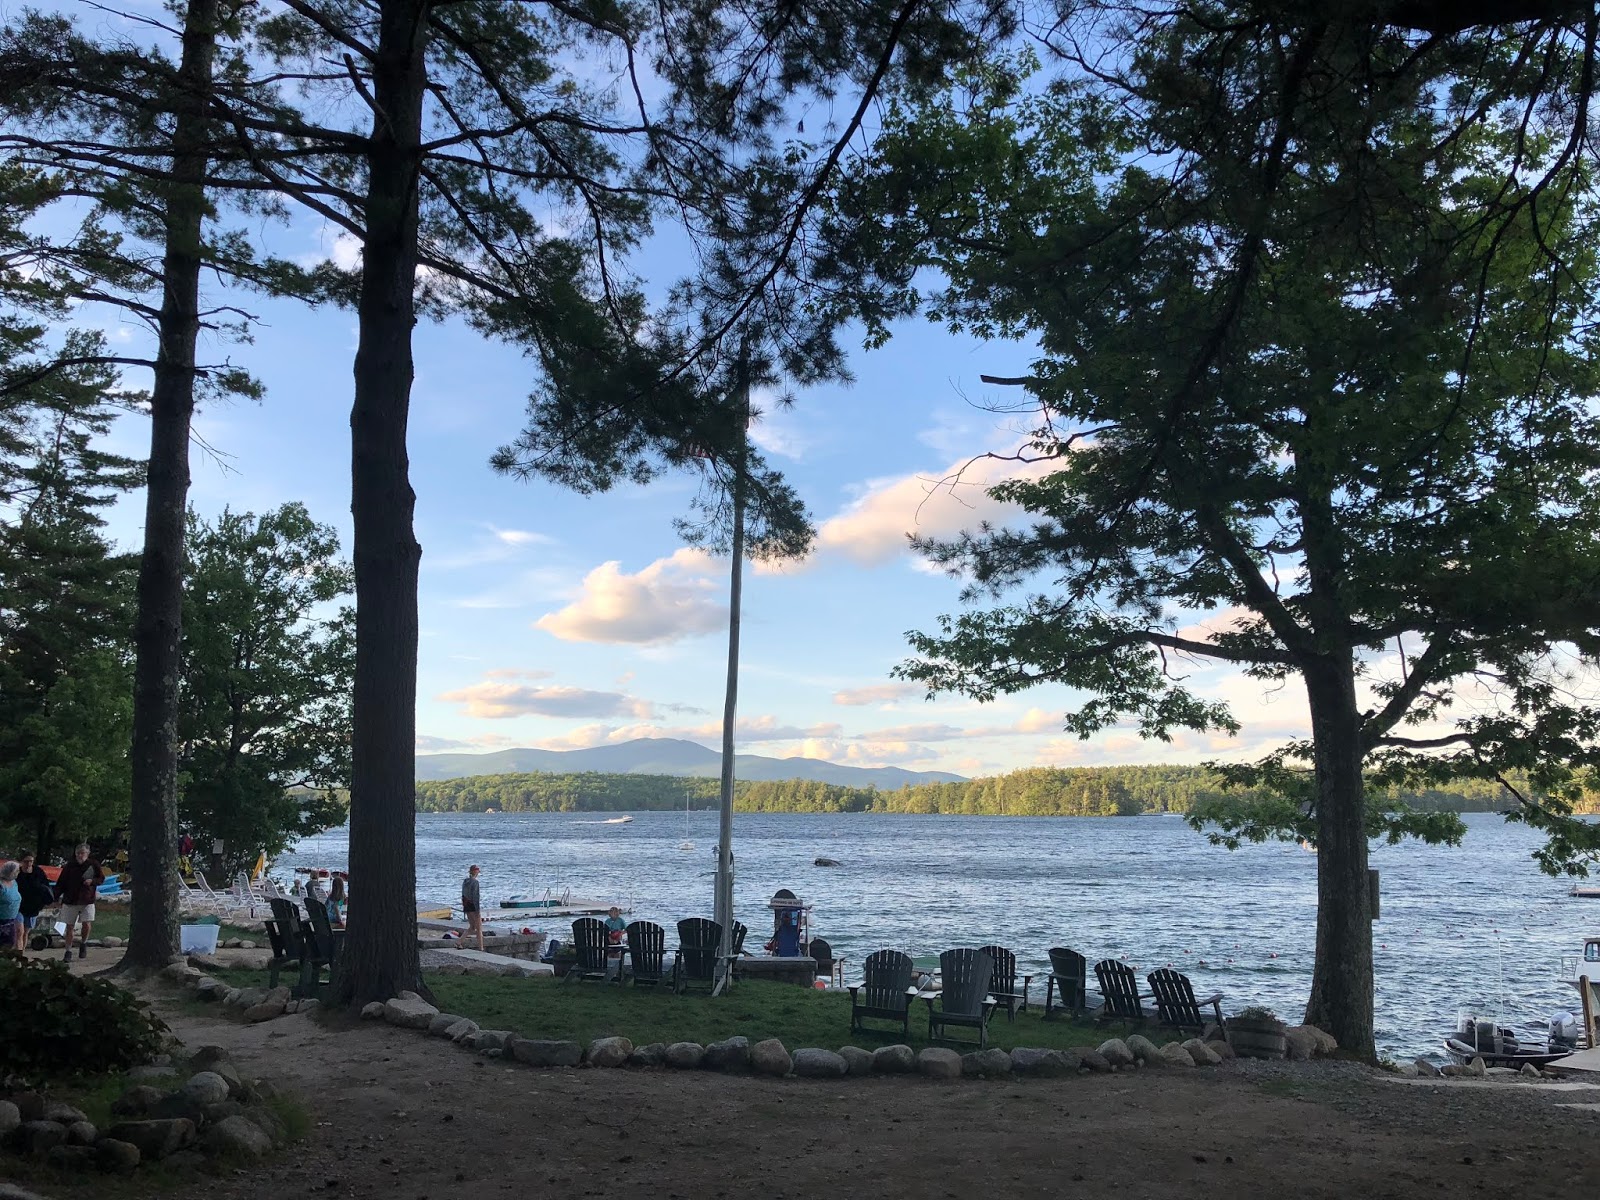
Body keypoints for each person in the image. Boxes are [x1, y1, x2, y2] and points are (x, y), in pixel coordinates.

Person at [53, 843, 104, 962]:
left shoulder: (93, 865)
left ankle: (83, 943)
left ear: (87, 854)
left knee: (86, 923)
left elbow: (101, 879)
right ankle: (68, 951)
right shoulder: (69, 866)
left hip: (87, 899)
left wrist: (92, 881)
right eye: (78, 853)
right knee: (69, 926)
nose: (80, 856)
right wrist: (55, 897)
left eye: (83, 853)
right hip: (70, 899)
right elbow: (61, 883)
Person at [15, 853, 52, 942]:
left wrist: (45, 901)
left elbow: (45, 887)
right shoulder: (17, 873)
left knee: (26, 932)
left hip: (34, 907)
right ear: (21, 862)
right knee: (19, 931)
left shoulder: (38, 872)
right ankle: (17, 951)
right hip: (18, 906)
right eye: (26, 861)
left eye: (31, 861)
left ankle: (21, 952)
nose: (28, 864)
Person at [461, 865, 483, 952]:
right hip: (473, 907)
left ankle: (459, 942)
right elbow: (475, 897)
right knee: (479, 928)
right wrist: (477, 910)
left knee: (472, 927)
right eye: (477, 871)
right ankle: (481, 948)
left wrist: (464, 906)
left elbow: (463, 895)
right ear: (475, 872)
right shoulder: (475, 882)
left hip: (466, 905)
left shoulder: (465, 881)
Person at [0, 861, 21, 951]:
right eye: (16, 871)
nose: (18, 873)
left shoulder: (14, 883)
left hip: (11, 921)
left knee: (9, 946)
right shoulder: (1, 885)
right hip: (1, 922)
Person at [603, 905, 627, 981]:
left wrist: (620, 933)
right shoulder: (608, 921)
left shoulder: (621, 921)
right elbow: (605, 930)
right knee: (608, 937)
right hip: (610, 936)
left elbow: (625, 929)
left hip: (618, 935)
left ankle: (617, 970)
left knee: (618, 936)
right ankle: (610, 970)